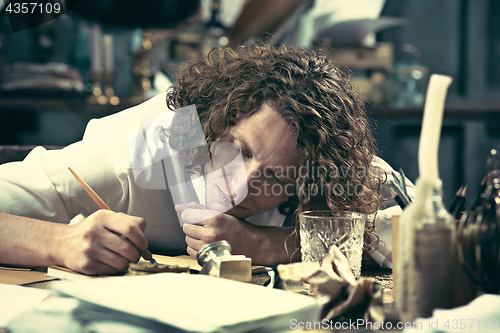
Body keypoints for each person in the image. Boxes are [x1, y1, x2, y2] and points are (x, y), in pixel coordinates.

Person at [0, 44, 407, 275]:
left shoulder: (324, 162)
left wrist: (268, 245)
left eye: (278, 179)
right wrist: (58, 242)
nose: (241, 187)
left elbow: (411, 227)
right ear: (216, 119)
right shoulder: (132, 156)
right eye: (240, 150)